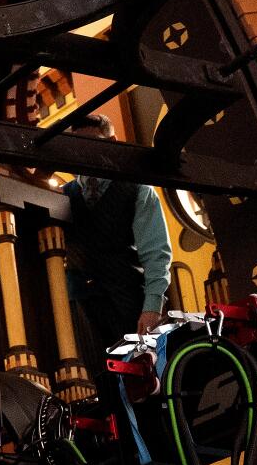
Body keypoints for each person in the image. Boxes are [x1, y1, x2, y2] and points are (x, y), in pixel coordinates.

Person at [61, 114, 173, 359]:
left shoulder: (137, 189)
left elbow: (156, 254)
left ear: (112, 140)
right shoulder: (62, 195)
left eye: (92, 143)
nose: (84, 153)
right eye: (77, 146)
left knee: (146, 374)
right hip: (83, 310)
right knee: (104, 383)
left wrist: (152, 307)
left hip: (130, 302)